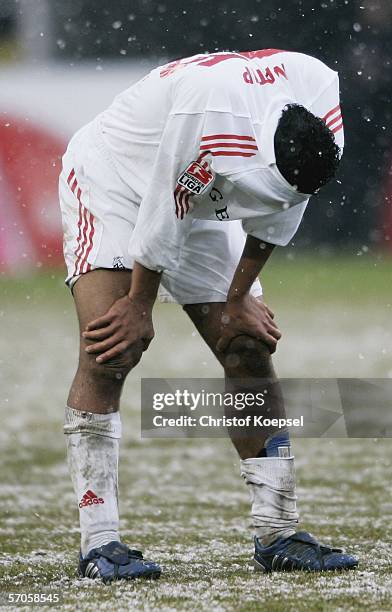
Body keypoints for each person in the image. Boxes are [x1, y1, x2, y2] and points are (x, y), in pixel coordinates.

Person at [59, 49, 357, 581]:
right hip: (117, 179)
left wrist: (240, 297)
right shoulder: (209, 120)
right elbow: (165, 207)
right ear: (260, 153)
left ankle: (278, 531)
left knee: (246, 345)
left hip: (200, 188)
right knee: (111, 349)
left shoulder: (319, 96)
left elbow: (292, 200)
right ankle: (98, 542)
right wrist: (138, 304)